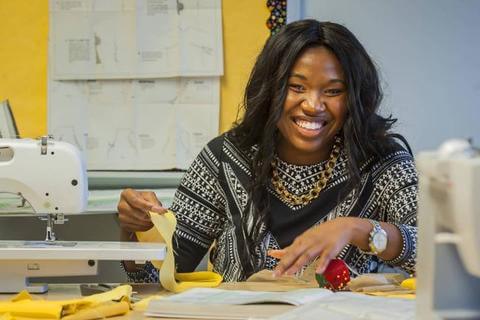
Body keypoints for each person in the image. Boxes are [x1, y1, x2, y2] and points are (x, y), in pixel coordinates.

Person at [117, 19, 417, 282]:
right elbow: (157, 277)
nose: (313, 105)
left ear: (354, 97)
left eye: (333, 91)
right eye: (296, 87)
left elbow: (438, 255)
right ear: (270, 89)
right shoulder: (225, 158)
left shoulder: (382, 162)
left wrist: (357, 229)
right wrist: (133, 231)